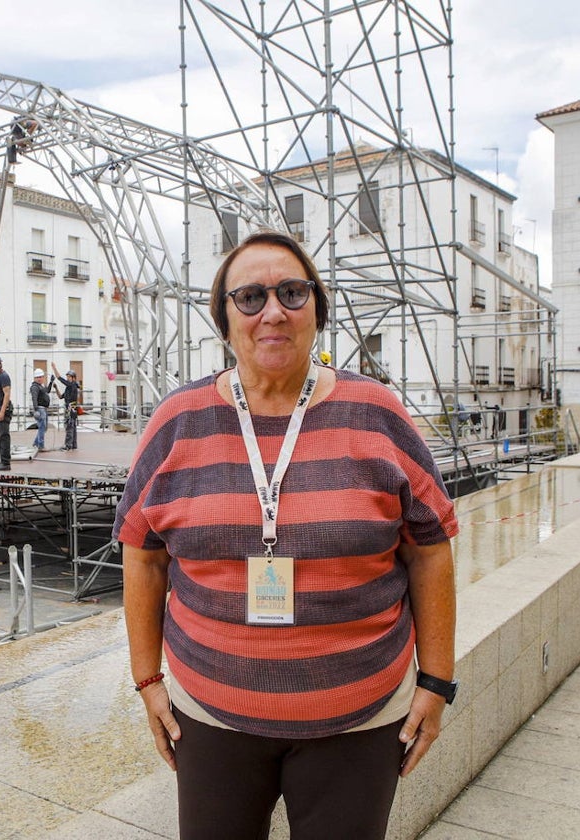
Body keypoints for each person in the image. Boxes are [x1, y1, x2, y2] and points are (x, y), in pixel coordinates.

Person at [113, 230, 458, 840]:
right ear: (224, 320)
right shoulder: (176, 422)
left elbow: (431, 550)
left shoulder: (376, 413)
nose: (272, 311)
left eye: (292, 292)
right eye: (249, 297)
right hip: (210, 717)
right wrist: (148, 682)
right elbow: (141, 556)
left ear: (317, 311)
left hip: (359, 719)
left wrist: (435, 681)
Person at [50, 363, 81, 450]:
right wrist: (56, 388)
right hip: (72, 409)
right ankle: (74, 445)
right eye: (67, 377)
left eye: (69, 377)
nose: (67, 378)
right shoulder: (69, 388)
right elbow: (60, 396)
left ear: (73, 378)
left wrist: (54, 368)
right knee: (73, 427)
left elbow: (59, 378)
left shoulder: (72, 385)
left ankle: (68, 446)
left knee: (69, 427)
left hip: (70, 409)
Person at [29, 368, 51, 451]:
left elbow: (47, 391)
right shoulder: (35, 387)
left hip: (44, 409)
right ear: (35, 378)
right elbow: (34, 398)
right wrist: (36, 409)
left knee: (44, 428)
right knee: (42, 427)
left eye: (41, 377)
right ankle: (41, 446)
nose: (40, 378)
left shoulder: (41, 386)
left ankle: (36, 444)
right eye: (38, 377)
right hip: (40, 409)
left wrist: (51, 382)